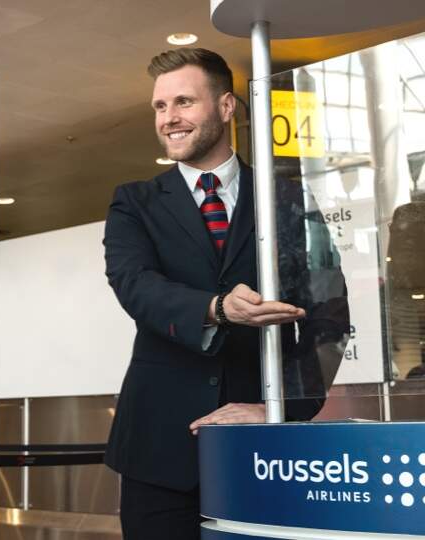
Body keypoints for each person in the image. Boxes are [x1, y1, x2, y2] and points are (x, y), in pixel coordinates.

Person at [103, 48, 348, 539]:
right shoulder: (134, 201)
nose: (168, 118)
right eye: (159, 107)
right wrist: (216, 309)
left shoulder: (288, 198)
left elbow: (330, 314)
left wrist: (282, 408)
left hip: (263, 447)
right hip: (158, 452)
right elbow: (135, 286)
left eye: (183, 102)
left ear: (227, 107)